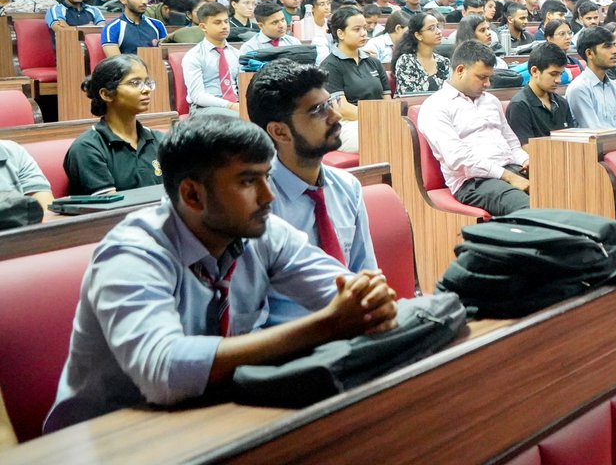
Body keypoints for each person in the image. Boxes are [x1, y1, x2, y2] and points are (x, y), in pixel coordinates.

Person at [43, 116, 399, 432]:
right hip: (110, 436)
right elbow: (165, 371)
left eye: (267, 177)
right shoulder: (133, 252)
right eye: (248, 182)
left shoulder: (263, 232)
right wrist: (326, 324)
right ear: (192, 195)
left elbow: (342, 290)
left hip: (210, 415)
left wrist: (368, 299)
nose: (268, 196)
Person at [246, 60, 378, 325]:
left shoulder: (347, 187)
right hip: (291, 341)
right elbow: (250, 324)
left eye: (330, 103)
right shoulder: (254, 205)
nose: (336, 116)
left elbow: (365, 275)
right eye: (318, 110)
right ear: (280, 131)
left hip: (354, 332)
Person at [420, 41, 529, 214]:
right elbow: (459, 159)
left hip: (511, 169)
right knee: (532, 207)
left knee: (563, 189)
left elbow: (512, 144)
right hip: (474, 182)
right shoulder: (435, 106)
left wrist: (525, 161)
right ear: (460, 70)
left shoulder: (491, 101)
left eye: (489, 77)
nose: (487, 84)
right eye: (482, 77)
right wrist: (508, 176)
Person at [66, 54, 166, 196]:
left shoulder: (159, 140)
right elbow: (110, 206)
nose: (146, 89)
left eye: (147, 82)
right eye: (135, 83)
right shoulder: (87, 147)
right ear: (106, 94)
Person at [320, 6, 388, 153]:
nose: (364, 33)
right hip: (345, 125)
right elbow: (342, 109)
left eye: (364, 28)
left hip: (380, 120)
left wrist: (387, 118)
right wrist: (380, 118)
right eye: (357, 29)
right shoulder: (330, 65)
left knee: (407, 132)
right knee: (383, 137)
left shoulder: (374, 62)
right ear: (341, 33)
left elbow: (387, 100)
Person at [565, 27, 616, 129]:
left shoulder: (615, 87)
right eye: (607, 46)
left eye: (614, 45)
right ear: (589, 53)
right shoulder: (579, 88)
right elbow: (594, 131)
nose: (615, 51)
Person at [505, 42, 576, 144]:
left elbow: (573, 142)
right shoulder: (520, 106)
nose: (558, 80)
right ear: (534, 71)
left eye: (560, 74)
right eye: (553, 74)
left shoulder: (562, 103)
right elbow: (526, 148)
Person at [180, 2, 242, 115]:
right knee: (241, 117)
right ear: (203, 27)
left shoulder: (236, 54)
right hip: (204, 108)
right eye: (217, 22)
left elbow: (242, 86)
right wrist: (230, 105)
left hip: (236, 104)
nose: (224, 26)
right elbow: (197, 96)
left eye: (226, 21)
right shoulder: (194, 56)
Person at [101, 0, 167, 57]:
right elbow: (116, 62)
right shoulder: (112, 28)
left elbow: (166, 56)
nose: (144, 1)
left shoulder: (157, 25)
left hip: (155, 64)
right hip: (126, 65)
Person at [392, 11, 451, 95]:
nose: (438, 31)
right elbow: (409, 97)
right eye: (431, 28)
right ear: (418, 35)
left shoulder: (444, 62)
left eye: (437, 26)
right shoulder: (406, 61)